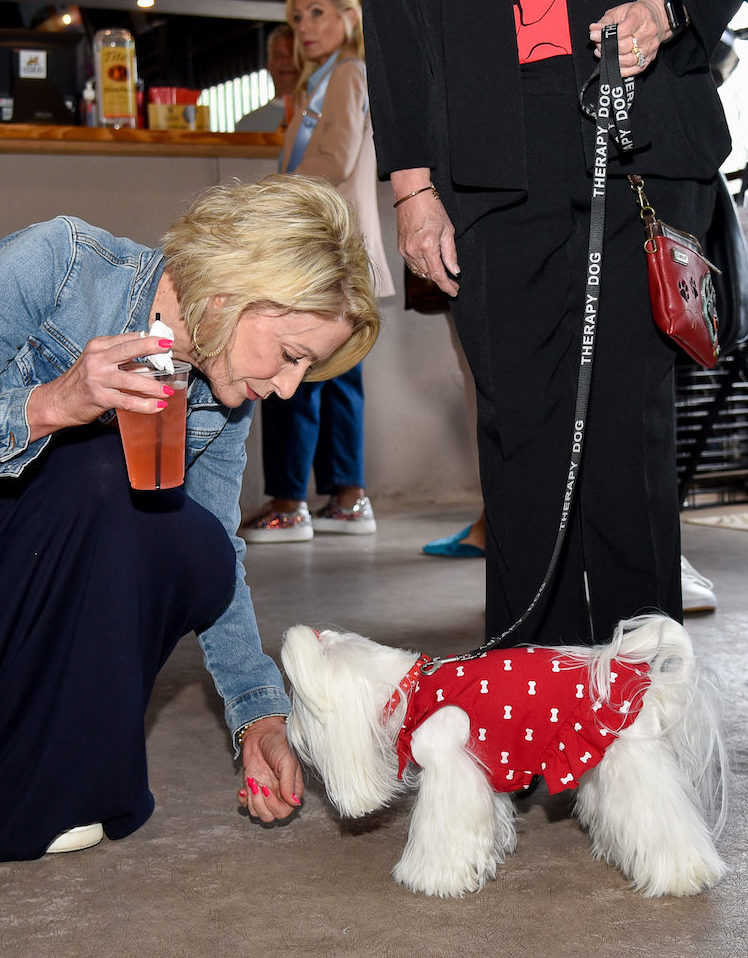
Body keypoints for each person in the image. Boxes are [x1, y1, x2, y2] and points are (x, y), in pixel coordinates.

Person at [0, 173, 379, 861]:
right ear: (232, 289)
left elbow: (218, 558)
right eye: (291, 355)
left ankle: (56, 769)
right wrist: (49, 404)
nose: (288, 388)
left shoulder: (222, 395)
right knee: (102, 469)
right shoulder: (55, 266)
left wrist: (258, 714)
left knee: (195, 543)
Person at [362, 0, 739, 647]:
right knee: (522, 437)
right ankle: (534, 705)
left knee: (630, 436)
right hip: (483, 138)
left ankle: (646, 704)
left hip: (635, 113)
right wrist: (411, 183)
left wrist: (671, 10)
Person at [245, 0, 393, 544]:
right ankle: (346, 497)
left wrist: (262, 201)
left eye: (317, 12)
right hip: (330, 247)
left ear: (349, 18)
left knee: (293, 367)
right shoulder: (326, 82)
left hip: (325, 250)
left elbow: (334, 158)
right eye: (297, 18)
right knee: (336, 374)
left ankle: (289, 501)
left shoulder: (348, 74)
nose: (304, 28)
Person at [234, 24, 298, 134]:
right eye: (278, 55)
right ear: (268, 64)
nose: (286, 61)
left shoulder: (324, 120)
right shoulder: (247, 126)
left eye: (292, 54)